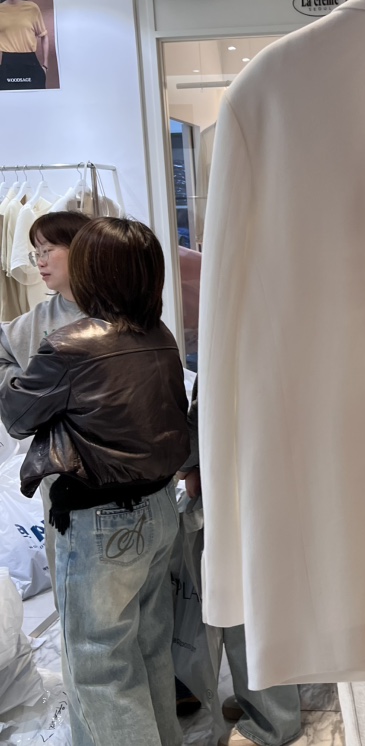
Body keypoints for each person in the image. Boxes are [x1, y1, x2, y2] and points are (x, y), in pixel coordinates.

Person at [0, 217, 191, 746]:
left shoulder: (69, 345)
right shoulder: (158, 336)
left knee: (99, 666)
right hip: (158, 509)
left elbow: (16, 416)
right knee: (148, 649)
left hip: (100, 523)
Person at [179, 380, 303, 746]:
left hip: (244, 473)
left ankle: (272, 718)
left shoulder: (238, 339)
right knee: (275, 589)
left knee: (247, 595)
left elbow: (212, 401)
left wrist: (189, 462)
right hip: (282, 464)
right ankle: (273, 698)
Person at [0, 210, 91, 593]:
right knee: (73, 594)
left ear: (82, 249)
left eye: (48, 249)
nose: (39, 260)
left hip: (133, 484)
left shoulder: (122, 310)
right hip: (64, 480)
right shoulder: (38, 320)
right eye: (35, 251)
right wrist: (27, 391)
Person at [0, 0, 50, 91]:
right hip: (7, 65)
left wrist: (45, 66)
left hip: (30, 63)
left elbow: (44, 36)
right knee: (9, 102)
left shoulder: (32, 8)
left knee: (35, 101)